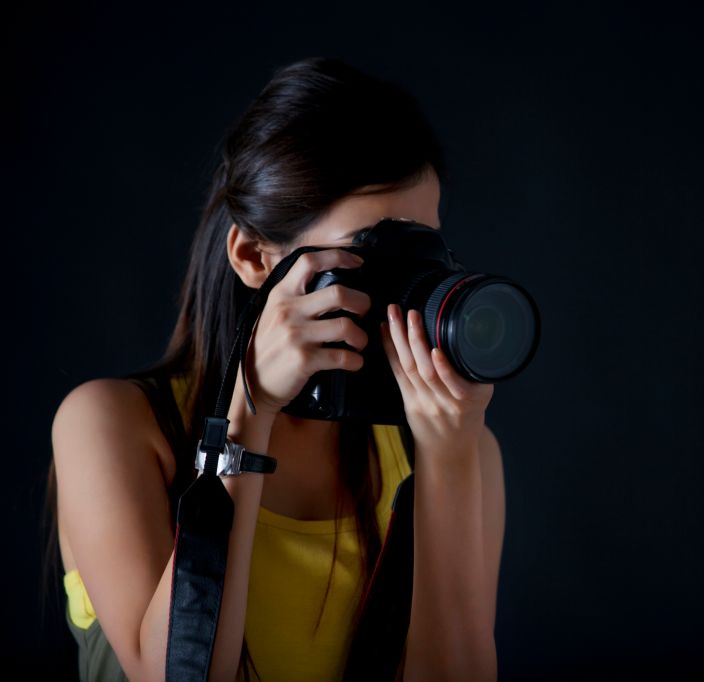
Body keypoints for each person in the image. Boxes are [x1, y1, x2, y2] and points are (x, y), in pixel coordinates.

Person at [45, 56, 505, 682]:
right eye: (373, 255)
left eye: (422, 251)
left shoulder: (448, 448)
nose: (404, 289)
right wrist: (249, 406)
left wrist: (451, 459)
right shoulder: (112, 424)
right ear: (255, 257)